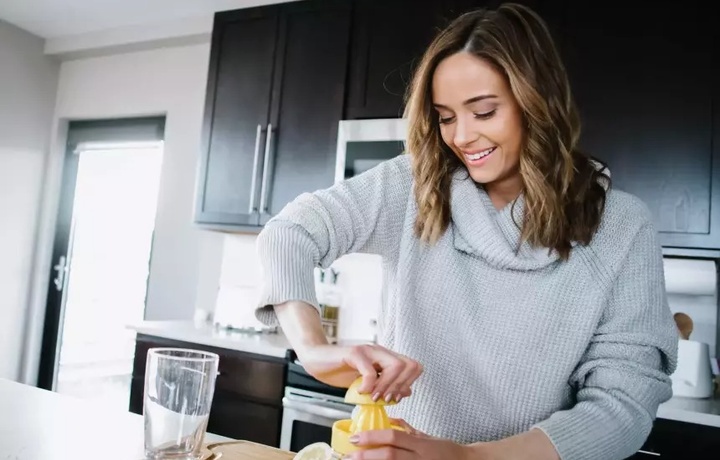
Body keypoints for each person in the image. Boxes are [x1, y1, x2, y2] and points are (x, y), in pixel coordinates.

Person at [254, 3, 679, 460]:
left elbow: (622, 408)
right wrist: (316, 351)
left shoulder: (620, 227)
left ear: (537, 102)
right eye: (446, 116)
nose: (461, 137)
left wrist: (470, 457)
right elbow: (290, 232)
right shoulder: (414, 187)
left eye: (484, 111)